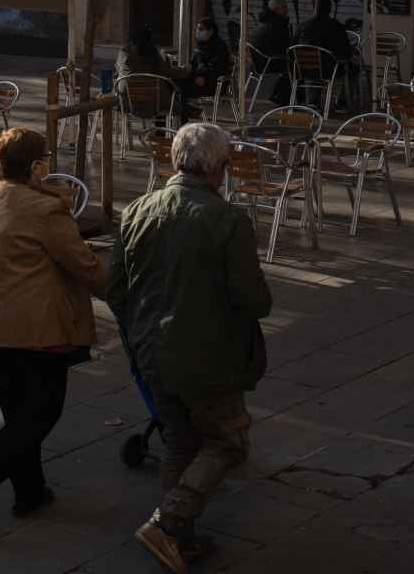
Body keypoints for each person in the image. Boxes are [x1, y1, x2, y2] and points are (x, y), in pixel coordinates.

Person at [107, 122, 271, 571]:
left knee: (179, 439)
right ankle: (170, 521)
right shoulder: (227, 220)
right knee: (228, 442)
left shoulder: (137, 210)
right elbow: (254, 299)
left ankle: (179, 535)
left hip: (150, 348)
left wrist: (143, 328)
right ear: (220, 167)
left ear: (175, 160)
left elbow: (115, 289)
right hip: (207, 356)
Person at [0, 128, 106, 537]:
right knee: (41, 413)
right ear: (37, 166)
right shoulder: (45, 209)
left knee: (18, 415)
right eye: (46, 159)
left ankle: (30, 491)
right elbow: (83, 264)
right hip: (36, 329)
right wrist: (122, 288)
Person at [250, 0, 292, 103]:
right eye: (285, 7)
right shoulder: (276, 25)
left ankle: (278, 95)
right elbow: (284, 47)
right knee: (295, 67)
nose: (287, 10)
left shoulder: (264, 21)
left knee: (290, 64)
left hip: (258, 63)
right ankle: (285, 99)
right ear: (277, 9)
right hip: (267, 63)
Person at [184, 17, 230, 106]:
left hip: (213, 83)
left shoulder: (219, 47)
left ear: (211, 31)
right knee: (174, 83)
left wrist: (203, 77)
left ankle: (186, 111)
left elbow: (217, 68)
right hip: (197, 79)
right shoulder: (200, 45)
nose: (197, 31)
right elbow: (193, 64)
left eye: (201, 29)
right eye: (197, 29)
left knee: (181, 88)